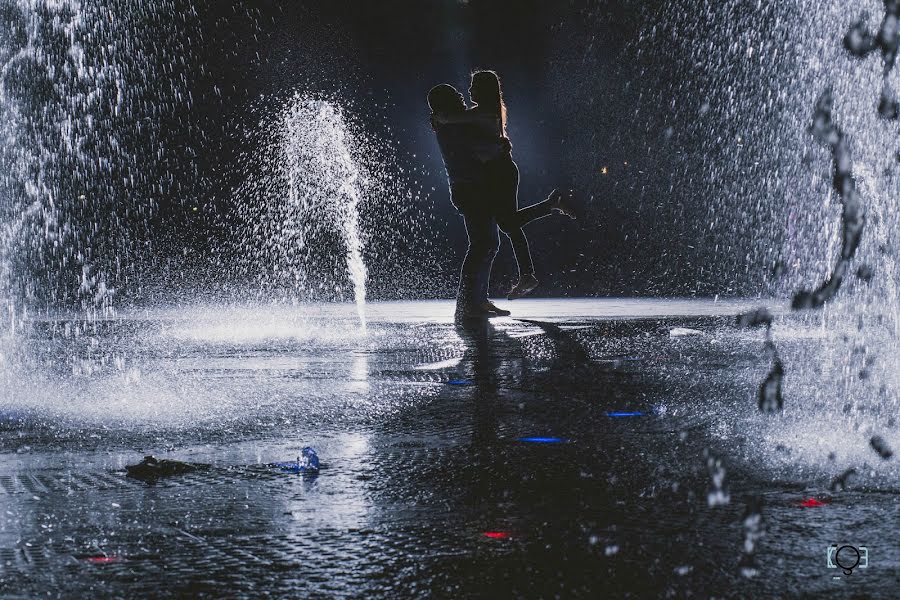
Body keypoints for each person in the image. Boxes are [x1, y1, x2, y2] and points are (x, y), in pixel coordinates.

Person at [432, 70, 575, 300]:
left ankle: (550, 208)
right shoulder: (486, 112)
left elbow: (452, 119)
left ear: (484, 90)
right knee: (509, 223)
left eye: (473, 87)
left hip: (501, 173)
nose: (469, 92)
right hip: (498, 172)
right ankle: (527, 272)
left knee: (508, 223)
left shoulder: (484, 112)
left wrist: (439, 116)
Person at [428, 83, 510, 319]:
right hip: (470, 189)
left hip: (472, 188)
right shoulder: (453, 126)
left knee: (487, 244)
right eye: (456, 95)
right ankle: (467, 303)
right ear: (447, 102)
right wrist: (499, 147)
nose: (462, 97)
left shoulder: (451, 122)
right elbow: (480, 150)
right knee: (481, 245)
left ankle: (478, 300)